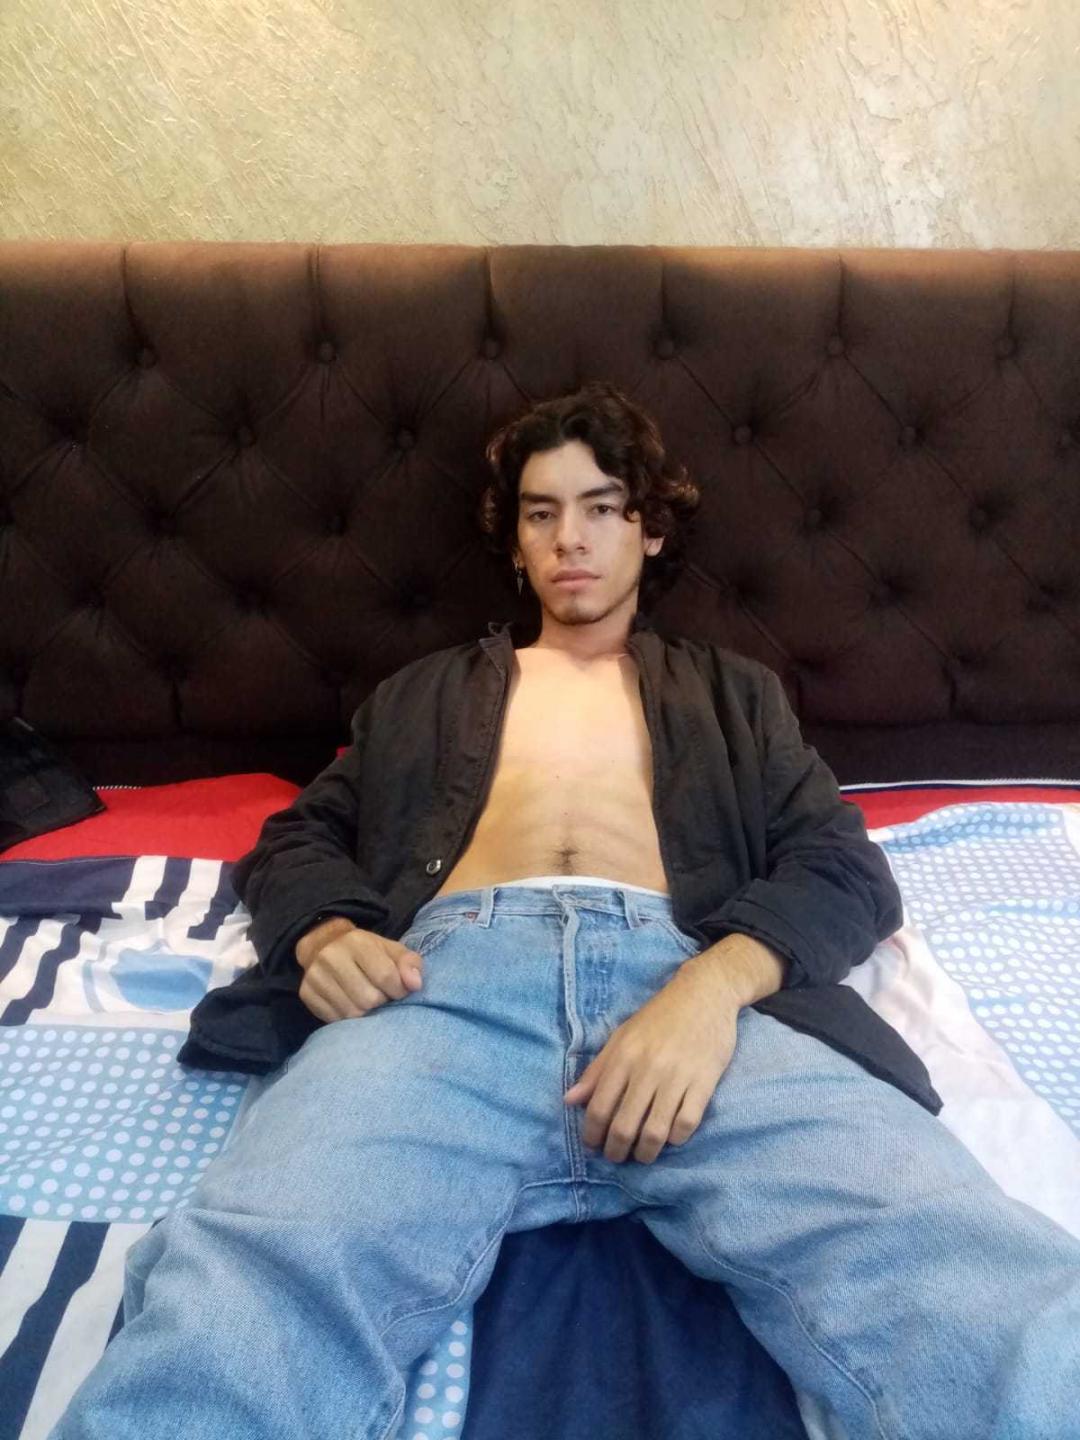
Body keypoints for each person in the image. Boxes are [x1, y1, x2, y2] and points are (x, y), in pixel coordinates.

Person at [52, 382, 1080, 1440]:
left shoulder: (732, 693)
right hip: (439, 994)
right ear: (515, 544)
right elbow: (298, 837)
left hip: (687, 997)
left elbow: (842, 863)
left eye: (600, 508)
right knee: (251, 1276)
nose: (569, 538)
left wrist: (712, 990)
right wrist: (325, 930)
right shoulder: (424, 693)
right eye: (541, 513)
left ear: (649, 530)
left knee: (959, 1262)